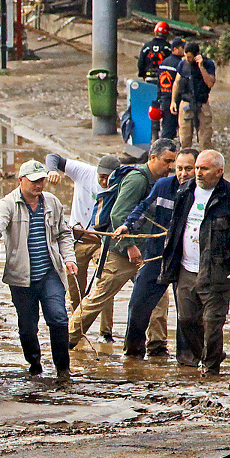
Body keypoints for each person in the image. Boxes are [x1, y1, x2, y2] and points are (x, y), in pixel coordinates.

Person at [68, 139, 177, 348]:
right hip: (121, 252)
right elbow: (119, 214)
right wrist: (129, 246)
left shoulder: (160, 183)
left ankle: (157, 347)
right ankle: (66, 342)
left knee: (158, 300)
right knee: (98, 298)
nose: (170, 167)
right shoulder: (137, 179)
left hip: (148, 252)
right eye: (167, 161)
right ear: (152, 158)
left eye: (173, 162)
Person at [159, 150, 230, 375]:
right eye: (197, 168)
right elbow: (175, 229)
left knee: (212, 324)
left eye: (204, 169)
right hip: (185, 269)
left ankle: (211, 371)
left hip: (217, 271)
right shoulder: (185, 190)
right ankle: (208, 356)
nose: (198, 173)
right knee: (186, 320)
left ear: (219, 172)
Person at [0, 159, 77, 380]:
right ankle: (35, 365)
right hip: (21, 277)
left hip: (50, 273)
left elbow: (64, 234)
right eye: (34, 181)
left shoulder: (53, 203)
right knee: (27, 328)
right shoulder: (8, 204)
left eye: (42, 181)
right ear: (21, 180)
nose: (39, 185)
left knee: (59, 318)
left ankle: (63, 369)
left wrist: (69, 258)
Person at [115, 148, 198, 359]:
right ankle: (132, 355)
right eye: (179, 168)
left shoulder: (205, 194)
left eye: (189, 169)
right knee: (138, 305)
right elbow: (143, 209)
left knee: (187, 314)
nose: (183, 173)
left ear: (198, 169)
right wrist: (128, 227)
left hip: (188, 262)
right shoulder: (163, 186)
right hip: (158, 256)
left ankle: (187, 361)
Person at [45, 152, 120, 341]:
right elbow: (53, 156)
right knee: (75, 289)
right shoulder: (84, 172)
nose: (104, 181)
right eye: (101, 177)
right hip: (77, 240)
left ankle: (106, 332)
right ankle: (77, 329)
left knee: (105, 283)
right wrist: (52, 171)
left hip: (102, 242)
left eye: (107, 178)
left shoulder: (122, 183)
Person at [171, 42, 217, 150]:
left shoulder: (208, 64)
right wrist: (173, 101)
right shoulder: (182, 64)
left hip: (202, 102)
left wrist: (201, 67)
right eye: (186, 56)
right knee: (184, 137)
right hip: (186, 102)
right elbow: (177, 83)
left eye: (190, 57)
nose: (188, 59)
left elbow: (210, 82)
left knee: (205, 137)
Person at [157, 37, 185, 140]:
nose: (184, 50)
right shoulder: (179, 64)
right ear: (176, 49)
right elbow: (180, 83)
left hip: (164, 98)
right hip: (174, 99)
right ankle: (165, 150)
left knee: (166, 127)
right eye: (183, 48)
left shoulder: (164, 62)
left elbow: (159, 81)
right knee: (171, 130)